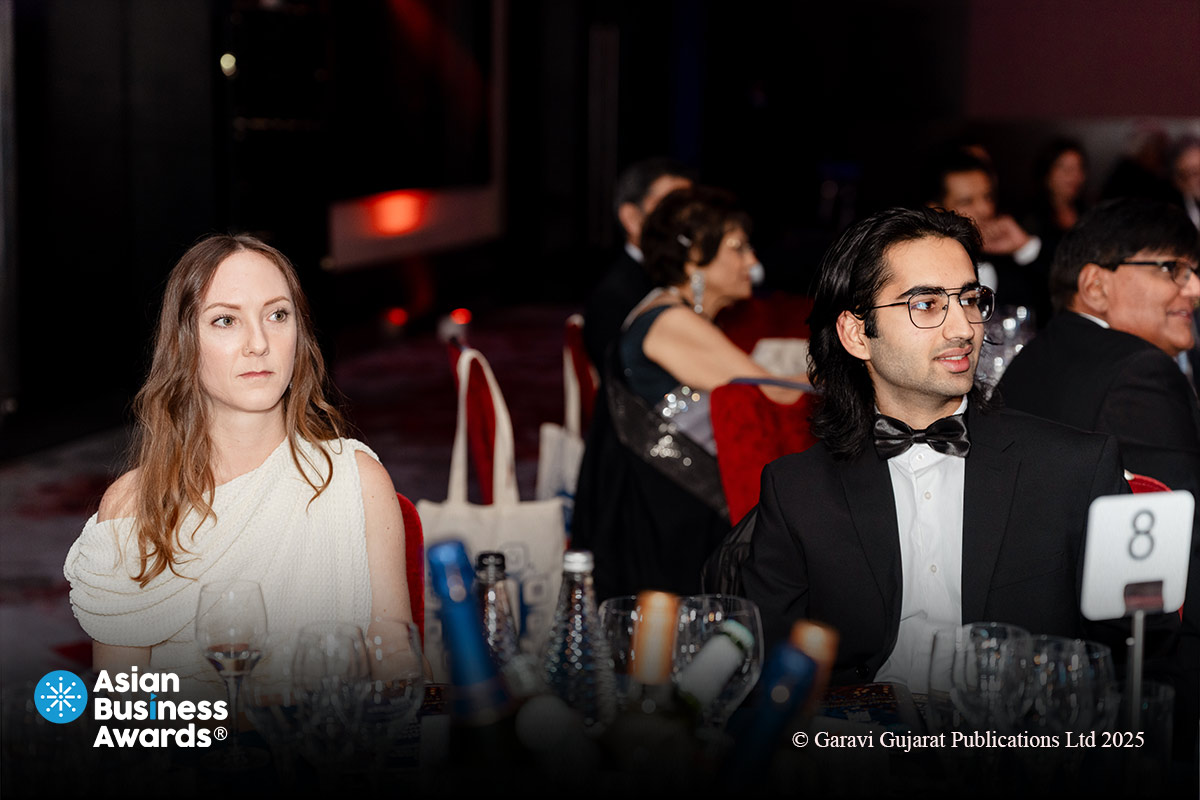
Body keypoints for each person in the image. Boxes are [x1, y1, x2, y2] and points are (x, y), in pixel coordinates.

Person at [739, 206, 1127, 691]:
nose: (963, 328)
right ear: (857, 334)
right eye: (926, 304)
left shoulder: (1072, 469)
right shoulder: (798, 490)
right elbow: (765, 672)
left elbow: (1133, 664)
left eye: (970, 300)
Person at [64, 234, 413, 691]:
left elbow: (399, 671)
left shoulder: (356, 481)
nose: (259, 343)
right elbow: (123, 707)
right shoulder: (133, 507)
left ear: (300, 336)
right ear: (184, 344)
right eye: (226, 320)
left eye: (277, 315)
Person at [995, 198, 1200, 758]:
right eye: (1172, 269)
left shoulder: (1036, 355)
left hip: (1036, 657)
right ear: (1095, 285)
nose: (1194, 289)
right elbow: (1176, 546)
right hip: (1126, 682)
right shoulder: (1139, 369)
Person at [572, 186, 804, 600]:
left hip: (660, 507)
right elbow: (778, 395)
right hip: (653, 523)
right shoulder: (671, 321)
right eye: (738, 248)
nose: (752, 263)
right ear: (695, 254)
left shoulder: (668, 310)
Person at [582, 158, 694, 369]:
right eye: (672, 207)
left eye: (693, 209)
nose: (687, 220)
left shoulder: (684, 274)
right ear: (632, 218)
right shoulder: (614, 296)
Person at [923, 147, 1050, 325]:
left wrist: (1024, 246)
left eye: (987, 197)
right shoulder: (924, 272)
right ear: (936, 210)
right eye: (967, 201)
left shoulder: (1010, 266)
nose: (984, 209)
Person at [1024, 137, 1088, 257]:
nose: (1075, 176)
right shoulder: (1031, 218)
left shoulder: (1088, 212)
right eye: (1067, 169)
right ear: (1047, 174)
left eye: (1079, 168)